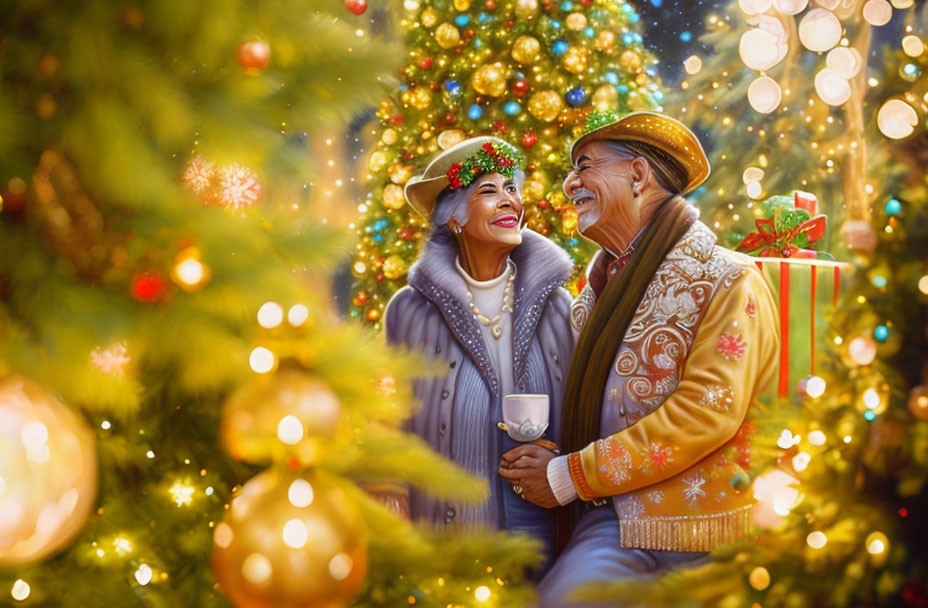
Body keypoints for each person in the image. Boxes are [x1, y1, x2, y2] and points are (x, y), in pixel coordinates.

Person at [495, 111, 780, 607]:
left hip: (711, 536)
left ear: (639, 175)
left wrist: (568, 475)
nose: (570, 184)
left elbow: (705, 411)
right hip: (615, 525)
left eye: (585, 166)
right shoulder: (590, 300)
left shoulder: (729, 279)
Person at [384, 136, 574, 563]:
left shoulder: (560, 304)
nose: (509, 201)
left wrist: (560, 460)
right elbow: (392, 418)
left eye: (512, 189)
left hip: (544, 526)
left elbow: (587, 411)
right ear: (453, 218)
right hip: (451, 531)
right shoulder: (409, 312)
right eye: (489, 191)